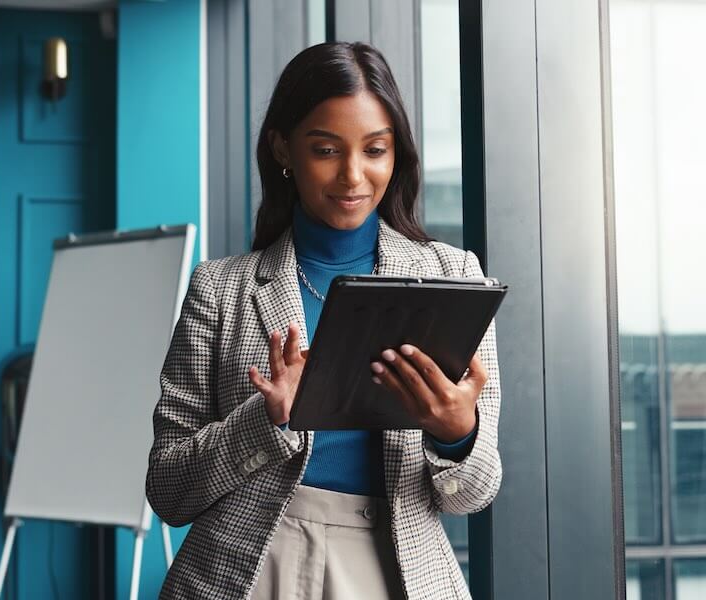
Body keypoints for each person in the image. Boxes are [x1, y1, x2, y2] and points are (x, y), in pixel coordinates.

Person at [146, 41, 502, 600]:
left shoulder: (452, 277)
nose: (353, 176)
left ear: (396, 154)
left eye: (375, 149)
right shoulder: (220, 289)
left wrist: (457, 432)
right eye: (327, 150)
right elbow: (168, 490)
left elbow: (473, 495)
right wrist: (266, 420)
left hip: (393, 572)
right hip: (247, 570)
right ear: (283, 149)